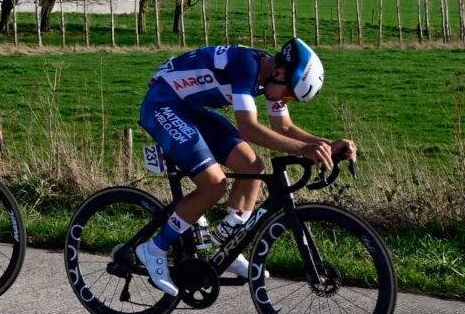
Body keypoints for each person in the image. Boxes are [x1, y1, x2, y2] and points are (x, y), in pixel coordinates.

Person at [135, 37, 357, 296]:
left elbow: (283, 127)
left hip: (190, 108)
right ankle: (154, 250)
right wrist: (304, 150)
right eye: (288, 93)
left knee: (252, 166)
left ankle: (228, 246)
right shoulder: (247, 66)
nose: (286, 100)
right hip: (162, 103)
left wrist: (327, 145)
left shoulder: (271, 76)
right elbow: (248, 128)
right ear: (279, 73)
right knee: (214, 184)